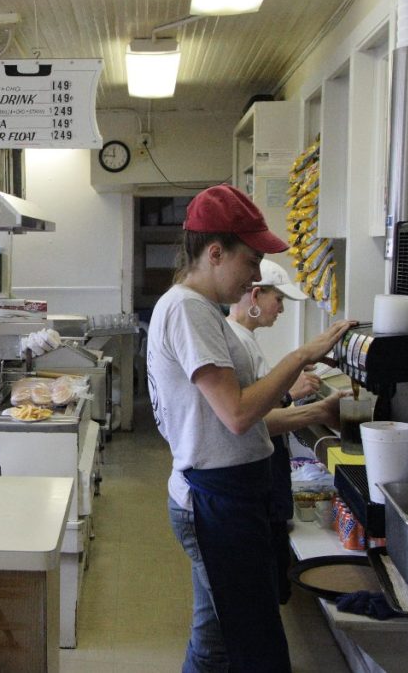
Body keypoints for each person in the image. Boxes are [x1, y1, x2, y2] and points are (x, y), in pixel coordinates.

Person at [146, 185, 353, 673]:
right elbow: (237, 413)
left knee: (220, 636)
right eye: (252, 260)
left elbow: (238, 421)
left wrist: (310, 411)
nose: (257, 276)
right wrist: (302, 355)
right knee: (242, 641)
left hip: (227, 490)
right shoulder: (188, 308)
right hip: (217, 496)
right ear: (215, 253)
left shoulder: (201, 310)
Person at [225, 257, 327, 605]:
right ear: (255, 296)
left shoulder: (246, 339)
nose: (281, 309)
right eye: (278, 300)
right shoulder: (235, 343)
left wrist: (287, 382)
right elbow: (253, 417)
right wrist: (308, 404)